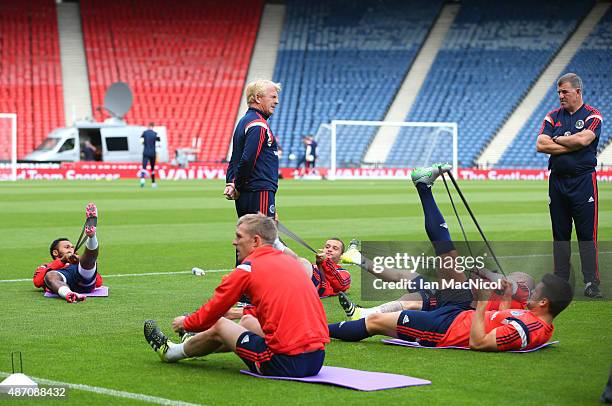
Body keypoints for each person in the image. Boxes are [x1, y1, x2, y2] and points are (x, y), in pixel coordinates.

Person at [328, 166, 574, 351]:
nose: (529, 293)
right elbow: (501, 317)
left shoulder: (531, 328)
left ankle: (322, 329)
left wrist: (484, 298)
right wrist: (505, 296)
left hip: (448, 324)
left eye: (534, 293)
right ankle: (424, 187)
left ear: (544, 303)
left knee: (379, 320)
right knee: (446, 255)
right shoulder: (530, 316)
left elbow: (479, 342)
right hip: (459, 309)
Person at [143, 214, 329, 377]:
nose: (234, 242)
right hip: (316, 358)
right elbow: (275, 305)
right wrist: (239, 313)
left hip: (286, 362)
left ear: (256, 241)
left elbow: (214, 310)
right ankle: (195, 344)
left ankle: (171, 352)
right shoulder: (289, 262)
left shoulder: (247, 269)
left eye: (239, 236)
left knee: (220, 326)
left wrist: (187, 322)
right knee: (247, 321)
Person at [536, 73, 603, 298]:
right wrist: (569, 142)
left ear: (578, 92)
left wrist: (555, 140)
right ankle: (560, 281)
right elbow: (540, 144)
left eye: (564, 92)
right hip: (557, 181)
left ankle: (591, 282)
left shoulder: (593, 116)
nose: (561, 96)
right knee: (560, 235)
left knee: (586, 234)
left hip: (583, 181)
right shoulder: (553, 116)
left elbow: (584, 140)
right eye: (559, 92)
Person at [224, 80, 281, 219]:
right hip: (259, 190)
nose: (277, 101)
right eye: (272, 97)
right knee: (264, 238)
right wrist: (237, 185)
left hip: (251, 191)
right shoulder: (258, 124)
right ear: (257, 98)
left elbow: (235, 157)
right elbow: (248, 159)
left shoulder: (244, 121)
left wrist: (231, 181)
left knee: (252, 238)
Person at [32, 203, 103, 303]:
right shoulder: (45, 267)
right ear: (55, 253)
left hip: (83, 281)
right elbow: (37, 282)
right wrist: (62, 261)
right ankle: (69, 294)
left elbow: (99, 282)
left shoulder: (78, 263)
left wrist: (79, 261)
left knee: (88, 261)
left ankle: (91, 236)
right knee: (50, 275)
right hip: (63, 278)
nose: (71, 249)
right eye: (66, 247)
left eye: (72, 247)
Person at [140, 122, 160, 188]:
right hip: (152, 153)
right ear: (153, 126)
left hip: (145, 152)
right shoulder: (155, 134)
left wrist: (145, 144)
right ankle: (153, 183)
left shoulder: (144, 133)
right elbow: (158, 144)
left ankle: (142, 181)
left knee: (144, 167)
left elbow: (140, 141)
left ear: (148, 126)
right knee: (152, 168)